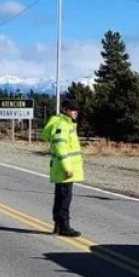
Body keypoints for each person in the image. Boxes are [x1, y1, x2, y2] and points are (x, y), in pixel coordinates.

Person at [41, 99, 84, 237]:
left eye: (76, 110)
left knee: (61, 196)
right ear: (65, 110)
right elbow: (60, 148)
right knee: (64, 197)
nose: (75, 112)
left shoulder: (66, 124)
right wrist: (67, 168)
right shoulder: (62, 125)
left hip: (63, 169)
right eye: (72, 110)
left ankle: (58, 225)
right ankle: (63, 225)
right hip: (64, 169)